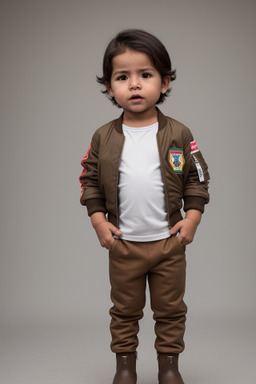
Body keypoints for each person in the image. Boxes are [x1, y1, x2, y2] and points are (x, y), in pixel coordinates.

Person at [79, 29, 210, 384]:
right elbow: (89, 181)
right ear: (109, 87)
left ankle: (169, 366)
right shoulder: (103, 137)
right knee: (124, 311)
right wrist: (98, 222)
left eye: (146, 75)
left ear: (165, 83)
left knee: (170, 310)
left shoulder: (179, 134)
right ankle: (125, 366)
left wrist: (192, 218)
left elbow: (197, 178)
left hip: (169, 243)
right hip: (123, 244)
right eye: (123, 77)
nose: (134, 85)